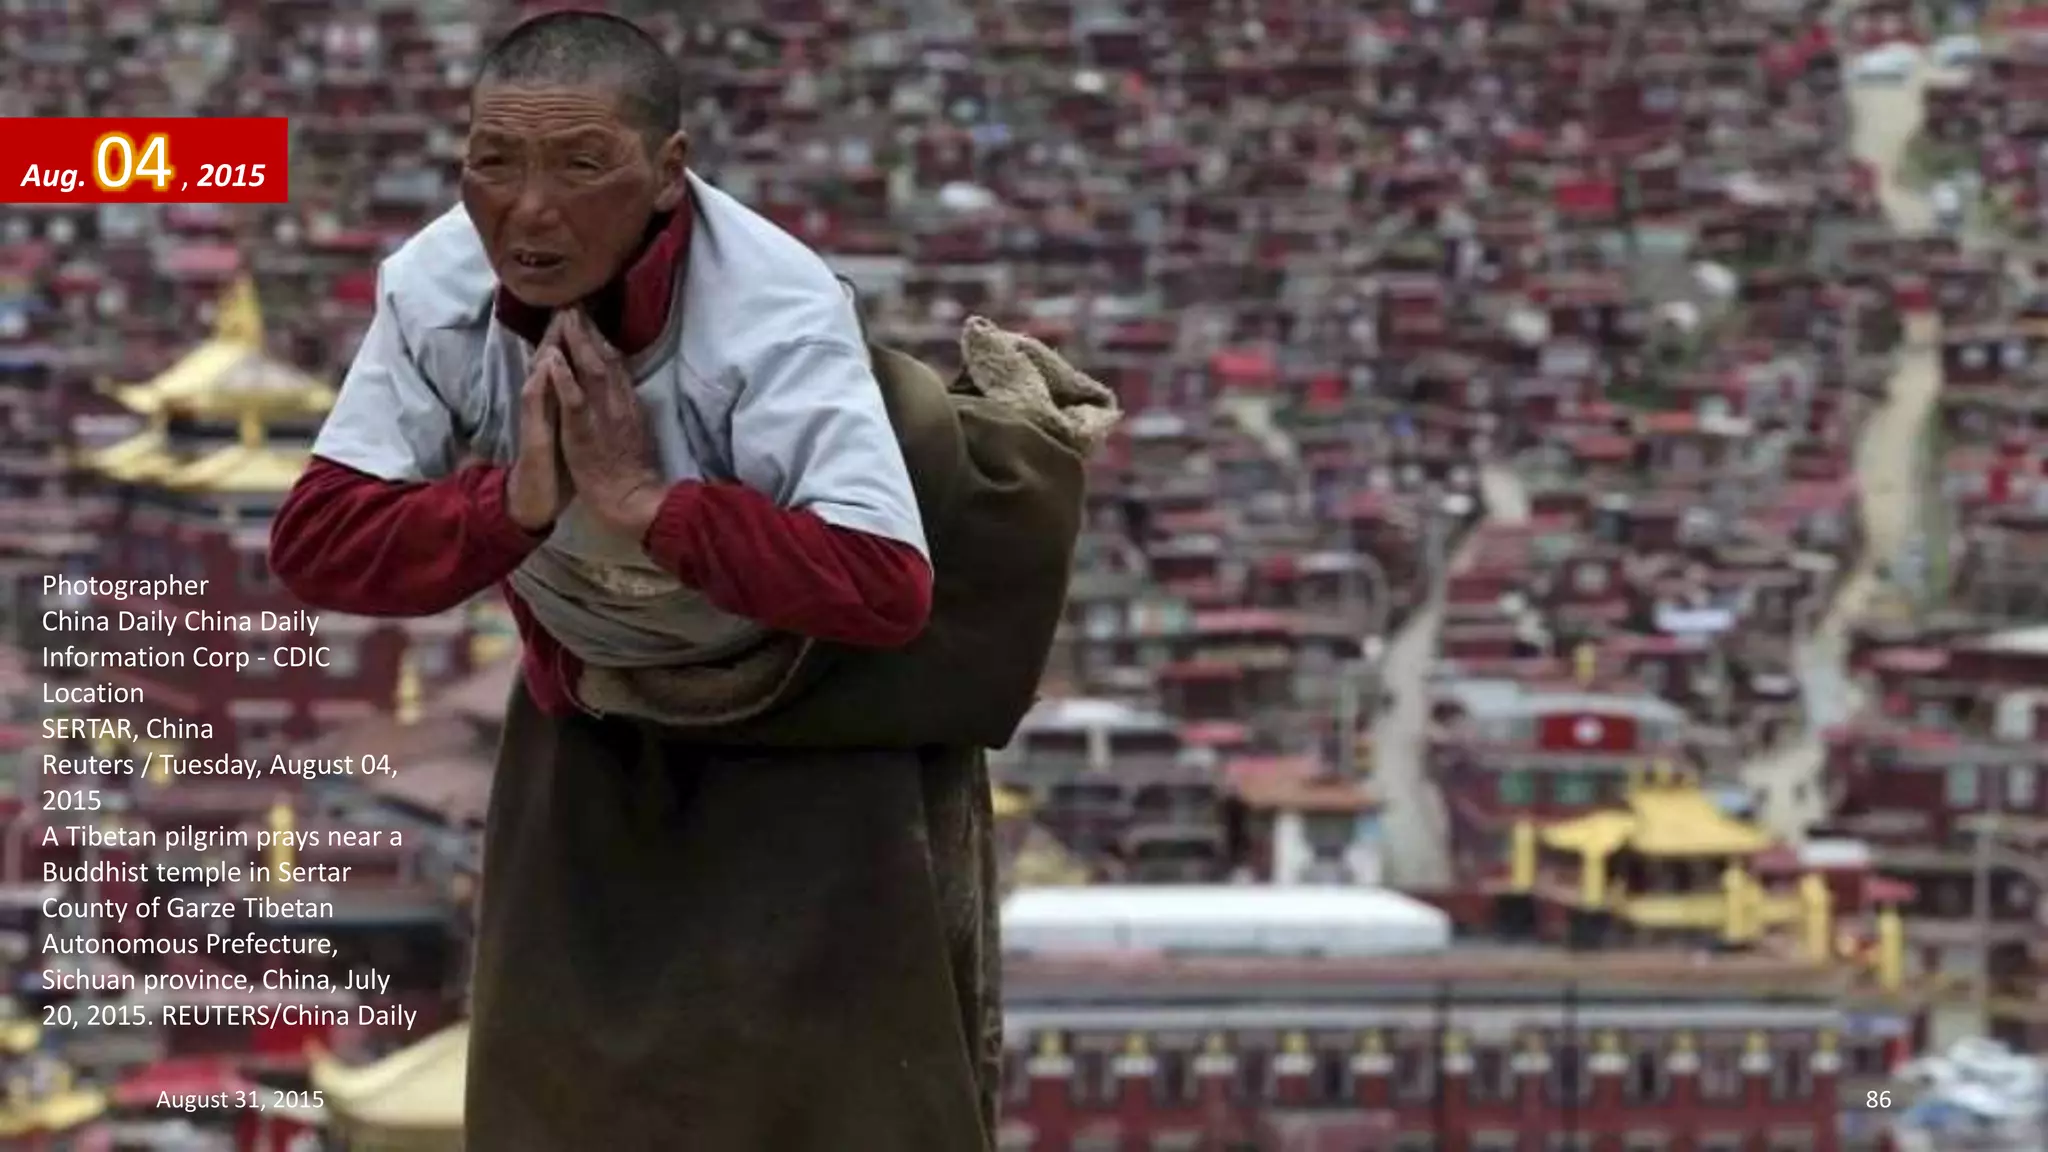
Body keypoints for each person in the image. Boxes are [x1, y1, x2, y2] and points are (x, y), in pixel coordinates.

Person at [271, 12, 994, 1150]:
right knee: (553, 1076)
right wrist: (510, 506)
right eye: (493, 164)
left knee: (827, 1090)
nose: (529, 211)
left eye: (580, 165)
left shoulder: (771, 311)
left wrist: (650, 506)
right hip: (589, 682)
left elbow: (883, 582)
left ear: (667, 174)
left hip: (803, 690)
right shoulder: (436, 287)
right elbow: (315, 542)